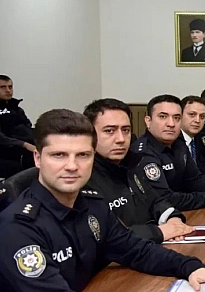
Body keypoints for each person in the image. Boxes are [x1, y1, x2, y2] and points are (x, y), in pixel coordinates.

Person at [0, 108, 205, 292]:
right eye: (59, 155)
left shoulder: (91, 204)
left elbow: (135, 250)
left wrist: (190, 267)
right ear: (37, 158)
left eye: (83, 155)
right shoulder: (18, 228)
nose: (72, 166)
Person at [83, 98, 194, 244]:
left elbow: (156, 201)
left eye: (126, 130)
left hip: (148, 248)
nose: (121, 139)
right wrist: (158, 232)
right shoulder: (83, 177)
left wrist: (173, 218)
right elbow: (101, 234)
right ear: (89, 135)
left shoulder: (132, 164)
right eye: (109, 131)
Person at [132, 95, 205, 211]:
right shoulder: (143, 153)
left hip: (181, 213)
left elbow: (193, 181)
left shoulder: (178, 144)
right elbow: (165, 200)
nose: (171, 124)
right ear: (148, 121)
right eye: (163, 117)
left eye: (176, 118)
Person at [0, 75, 35, 178]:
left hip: (20, 149)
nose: (8, 90)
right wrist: (24, 144)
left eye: (10, 87)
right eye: (3, 87)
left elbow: (27, 127)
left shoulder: (16, 109)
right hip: (5, 151)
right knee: (17, 168)